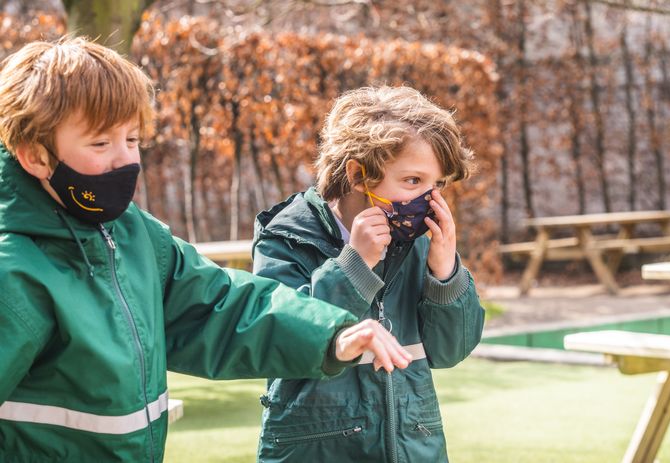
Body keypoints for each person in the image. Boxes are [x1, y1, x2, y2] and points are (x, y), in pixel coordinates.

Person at [0, 38, 412, 462]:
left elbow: (221, 306)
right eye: (100, 145)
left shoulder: (132, 236)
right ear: (35, 155)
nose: (124, 160)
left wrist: (330, 334)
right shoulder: (13, 269)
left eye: (132, 139)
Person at [253, 86, 486, 462]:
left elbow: (451, 351)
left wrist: (445, 275)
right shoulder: (285, 237)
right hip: (317, 450)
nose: (429, 199)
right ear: (358, 174)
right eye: (413, 181)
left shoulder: (417, 243)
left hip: (415, 448)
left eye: (437, 185)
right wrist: (354, 264)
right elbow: (278, 338)